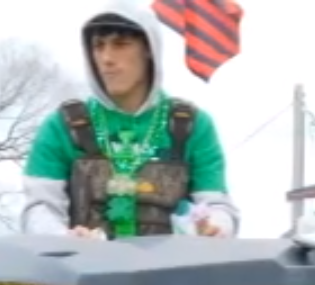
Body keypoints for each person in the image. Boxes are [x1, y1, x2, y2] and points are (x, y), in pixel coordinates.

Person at [22, 3, 237, 239]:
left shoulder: (192, 126)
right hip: (85, 270)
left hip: (173, 273)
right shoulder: (61, 127)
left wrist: (215, 228)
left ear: (149, 49)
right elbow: (39, 209)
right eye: (98, 46)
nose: (106, 58)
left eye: (120, 45)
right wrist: (63, 237)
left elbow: (217, 204)